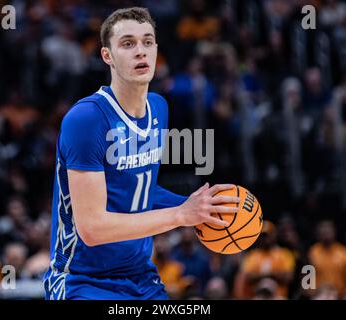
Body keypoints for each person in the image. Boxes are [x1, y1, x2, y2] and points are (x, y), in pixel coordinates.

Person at [43, 7, 239, 300]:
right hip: (82, 281)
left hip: (140, 276)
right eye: (128, 43)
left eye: (148, 42)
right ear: (107, 56)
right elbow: (92, 229)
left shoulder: (159, 107)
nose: (140, 51)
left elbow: (138, 191)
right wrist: (179, 214)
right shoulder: (86, 119)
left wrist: (200, 209)